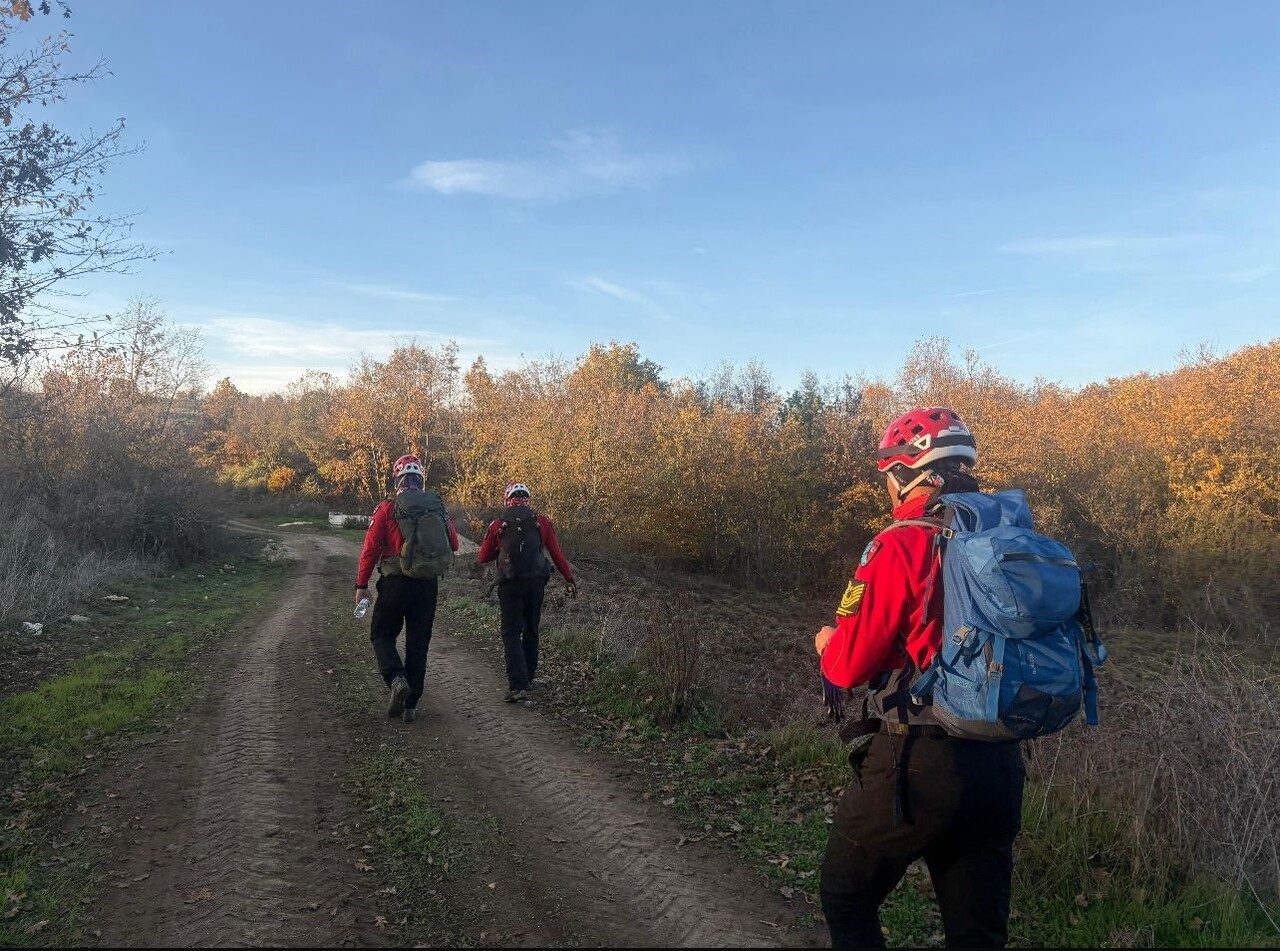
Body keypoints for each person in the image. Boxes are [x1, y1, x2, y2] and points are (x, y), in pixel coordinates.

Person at [814, 407, 1026, 949]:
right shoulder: (1009, 536)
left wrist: (826, 644)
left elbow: (847, 666)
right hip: (1000, 761)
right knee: (977, 937)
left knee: (846, 895)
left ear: (907, 472)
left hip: (920, 758)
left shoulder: (900, 542)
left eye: (888, 476)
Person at [355, 453, 460, 723]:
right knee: (418, 643)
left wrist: (361, 585)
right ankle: (411, 706)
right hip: (427, 585)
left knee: (381, 634)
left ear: (396, 480)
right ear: (421, 480)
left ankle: (396, 678)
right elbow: (455, 544)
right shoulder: (437, 508)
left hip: (395, 583)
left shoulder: (387, 509)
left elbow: (370, 549)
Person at [477, 483, 577, 702]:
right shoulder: (542, 522)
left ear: (507, 500)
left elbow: (483, 557)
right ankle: (529, 677)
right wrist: (569, 578)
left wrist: (500, 549)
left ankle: (517, 684)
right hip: (535, 583)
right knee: (531, 628)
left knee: (511, 632)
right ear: (528, 501)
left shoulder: (498, 524)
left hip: (509, 583)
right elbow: (556, 554)